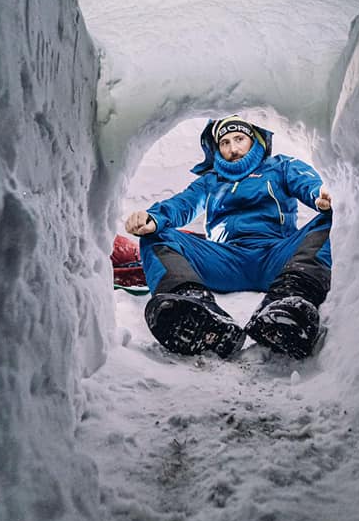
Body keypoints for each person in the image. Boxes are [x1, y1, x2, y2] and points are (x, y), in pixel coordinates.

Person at [124, 115, 332, 359]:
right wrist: (153, 218)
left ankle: (290, 299)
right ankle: (191, 306)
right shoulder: (211, 181)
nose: (232, 149)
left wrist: (322, 194)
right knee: (157, 235)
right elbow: (184, 203)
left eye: (239, 139)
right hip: (227, 260)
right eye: (224, 143)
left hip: (277, 257)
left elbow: (308, 183)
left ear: (254, 140)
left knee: (331, 221)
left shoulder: (281, 167)